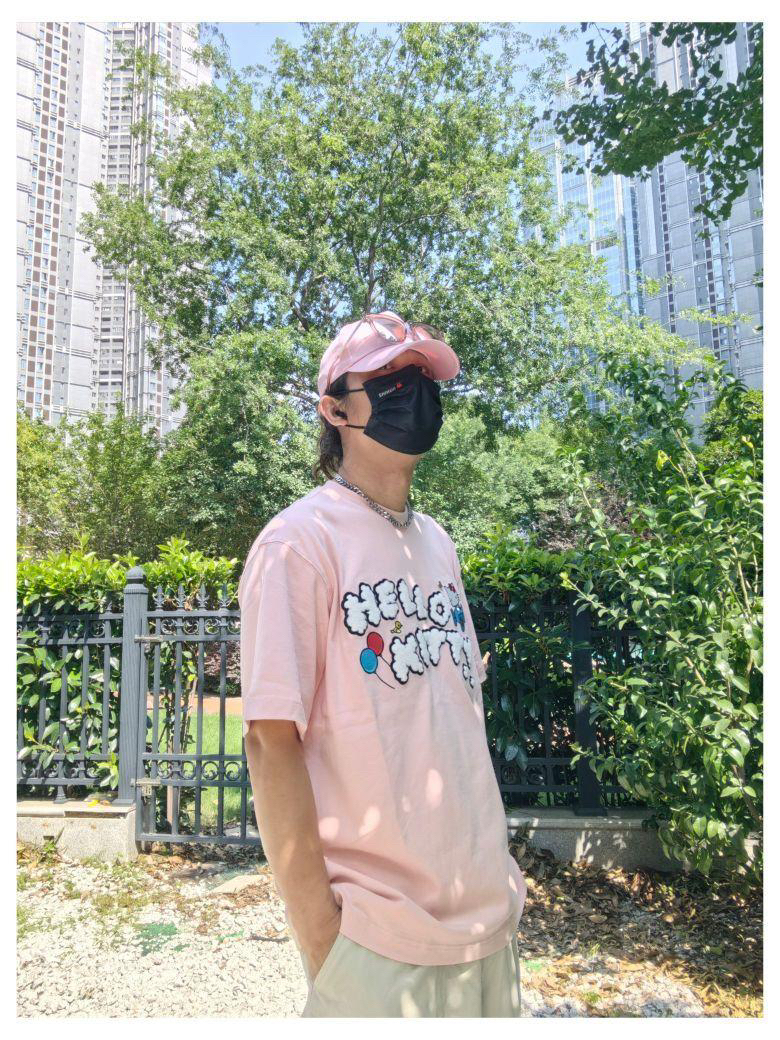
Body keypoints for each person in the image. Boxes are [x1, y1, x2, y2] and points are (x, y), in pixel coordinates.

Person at [238, 310, 527, 1017]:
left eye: (425, 379)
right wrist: (323, 940)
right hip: (379, 945)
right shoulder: (298, 544)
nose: (416, 394)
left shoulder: (437, 542)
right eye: (391, 380)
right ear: (334, 409)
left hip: (489, 923)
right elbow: (271, 743)